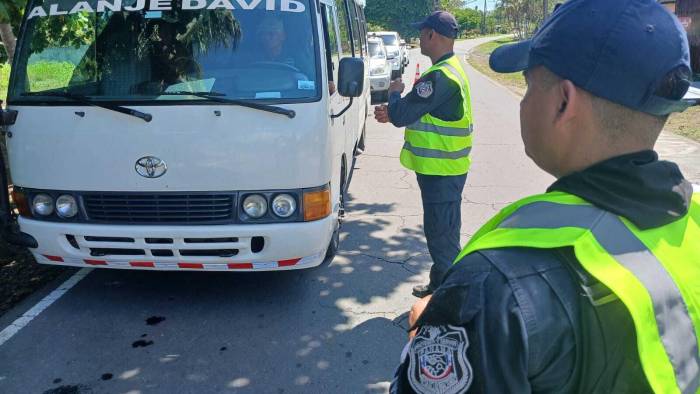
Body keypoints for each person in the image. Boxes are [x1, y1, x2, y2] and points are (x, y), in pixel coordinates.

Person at [391, 0, 700, 392]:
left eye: (528, 83)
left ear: (564, 102)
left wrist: (425, 338)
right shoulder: (692, 220)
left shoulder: (494, 286)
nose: (522, 101)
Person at [374, 11, 473, 298]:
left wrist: (394, 95)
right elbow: (419, 111)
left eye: (422, 32)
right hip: (444, 169)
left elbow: (405, 112)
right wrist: (392, 112)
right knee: (445, 232)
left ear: (432, 35)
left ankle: (455, 302)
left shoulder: (440, 76)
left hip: (441, 170)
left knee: (441, 237)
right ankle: (439, 284)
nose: (418, 38)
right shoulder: (448, 69)